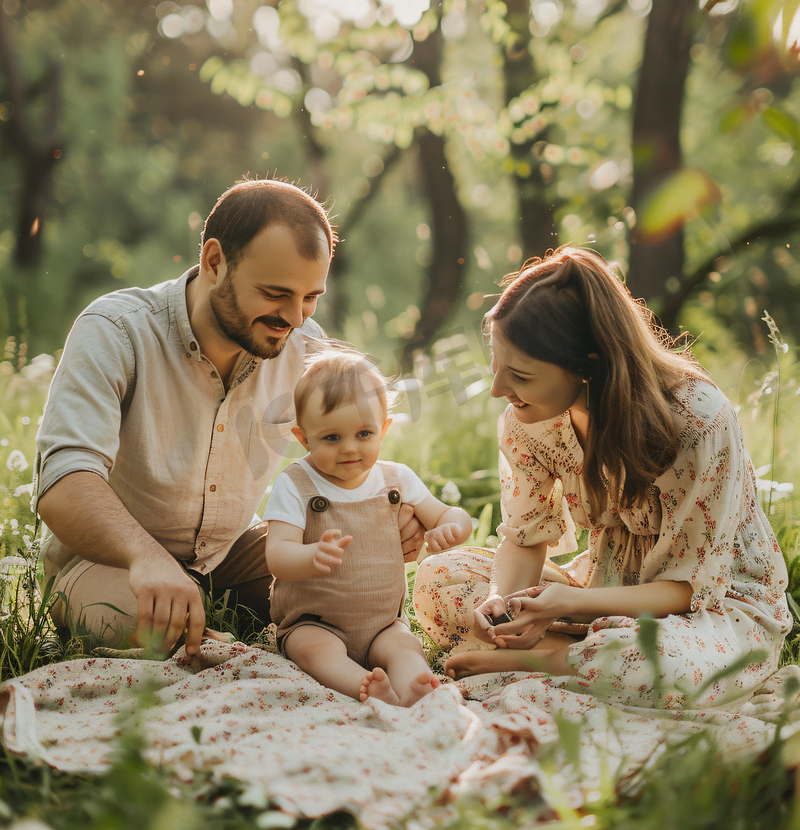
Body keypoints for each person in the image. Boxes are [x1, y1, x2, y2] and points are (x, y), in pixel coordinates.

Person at [34, 178, 424, 657]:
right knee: (154, 625)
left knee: (355, 579)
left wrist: (386, 515)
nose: (296, 317)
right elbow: (64, 483)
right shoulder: (116, 332)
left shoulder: (302, 345)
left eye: (310, 297)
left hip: (232, 551)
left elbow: (344, 446)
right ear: (215, 261)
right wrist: (148, 558)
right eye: (276, 293)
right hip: (109, 561)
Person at [413, 246, 792, 710]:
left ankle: (551, 661)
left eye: (520, 375)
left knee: (658, 661)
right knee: (439, 579)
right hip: (602, 584)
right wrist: (502, 604)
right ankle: (580, 653)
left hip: (713, 606)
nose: (498, 389)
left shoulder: (697, 422)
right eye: (496, 365)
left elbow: (686, 588)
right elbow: (525, 537)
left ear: (590, 364)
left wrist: (566, 606)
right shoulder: (528, 419)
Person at [264, 348, 473, 705]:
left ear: (384, 429)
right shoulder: (295, 483)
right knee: (313, 651)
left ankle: (413, 689)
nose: (349, 449)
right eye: (331, 438)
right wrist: (309, 555)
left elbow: (451, 515)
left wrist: (449, 528)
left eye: (363, 434)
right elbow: (277, 555)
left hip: (383, 623)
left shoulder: (396, 479)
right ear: (304, 438)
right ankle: (366, 686)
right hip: (314, 622)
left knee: (404, 647)